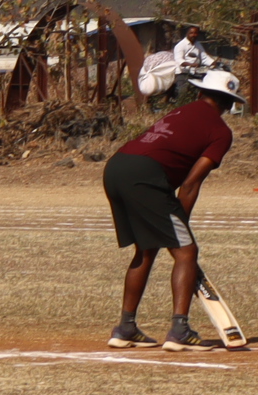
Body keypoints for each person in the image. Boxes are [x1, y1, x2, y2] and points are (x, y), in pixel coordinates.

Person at [103, 64, 243, 349]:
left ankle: (126, 328)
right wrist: (182, 228)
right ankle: (180, 331)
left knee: (146, 247)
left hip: (116, 167)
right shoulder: (221, 132)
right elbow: (191, 184)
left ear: (202, 91)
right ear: (229, 102)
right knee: (186, 252)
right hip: (146, 176)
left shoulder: (181, 111)